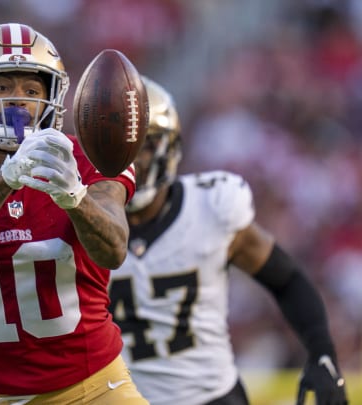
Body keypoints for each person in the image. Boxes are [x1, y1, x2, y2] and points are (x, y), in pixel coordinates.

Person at [0, 23, 149, 404]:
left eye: (31, 90)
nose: (17, 101)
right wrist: (7, 178)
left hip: (97, 387)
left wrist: (74, 197)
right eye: (2, 87)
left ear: (52, 98)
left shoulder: (84, 159)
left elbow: (114, 248)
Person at [108, 77, 348, 405]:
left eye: (146, 145)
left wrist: (322, 353)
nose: (134, 160)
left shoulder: (210, 207)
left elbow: (287, 279)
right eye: (122, 145)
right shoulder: (76, 221)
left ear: (170, 147)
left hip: (211, 397)